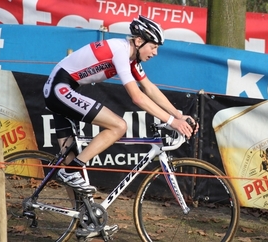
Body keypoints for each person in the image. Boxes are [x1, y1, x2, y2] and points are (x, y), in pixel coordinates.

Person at [43, 15, 198, 194]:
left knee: (69, 164)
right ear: (139, 40)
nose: (155, 52)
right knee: (118, 126)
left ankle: (83, 217)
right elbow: (137, 97)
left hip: (63, 89)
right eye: (153, 47)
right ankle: (70, 171)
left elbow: (150, 88)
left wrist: (179, 116)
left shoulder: (132, 58)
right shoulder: (121, 51)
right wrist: (172, 121)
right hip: (60, 88)